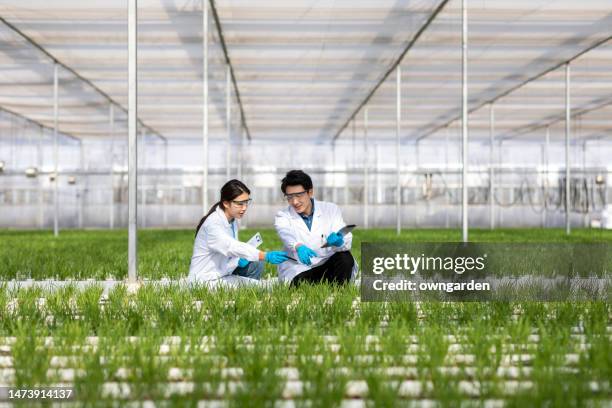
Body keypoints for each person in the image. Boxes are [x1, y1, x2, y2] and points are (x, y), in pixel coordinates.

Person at [188, 179, 289, 286]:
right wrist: (264, 255)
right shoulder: (213, 224)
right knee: (260, 287)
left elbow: (228, 253)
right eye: (240, 204)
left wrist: (238, 260)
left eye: (246, 202)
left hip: (223, 272)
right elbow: (230, 246)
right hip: (205, 280)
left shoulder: (232, 220)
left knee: (255, 264)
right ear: (226, 203)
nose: (244, 208)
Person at [274, 170, 357, 286]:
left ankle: (339, 290)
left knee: (345, 258)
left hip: (327, 263)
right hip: (300, 268)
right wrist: (298, 246)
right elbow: (285, 234)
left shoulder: (330, 209)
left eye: (299, 195)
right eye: (289, 197)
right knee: (299, 283)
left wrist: (340, 241)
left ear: (310, 192)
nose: (294, 202)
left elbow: (344, 234)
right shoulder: (282, 215)